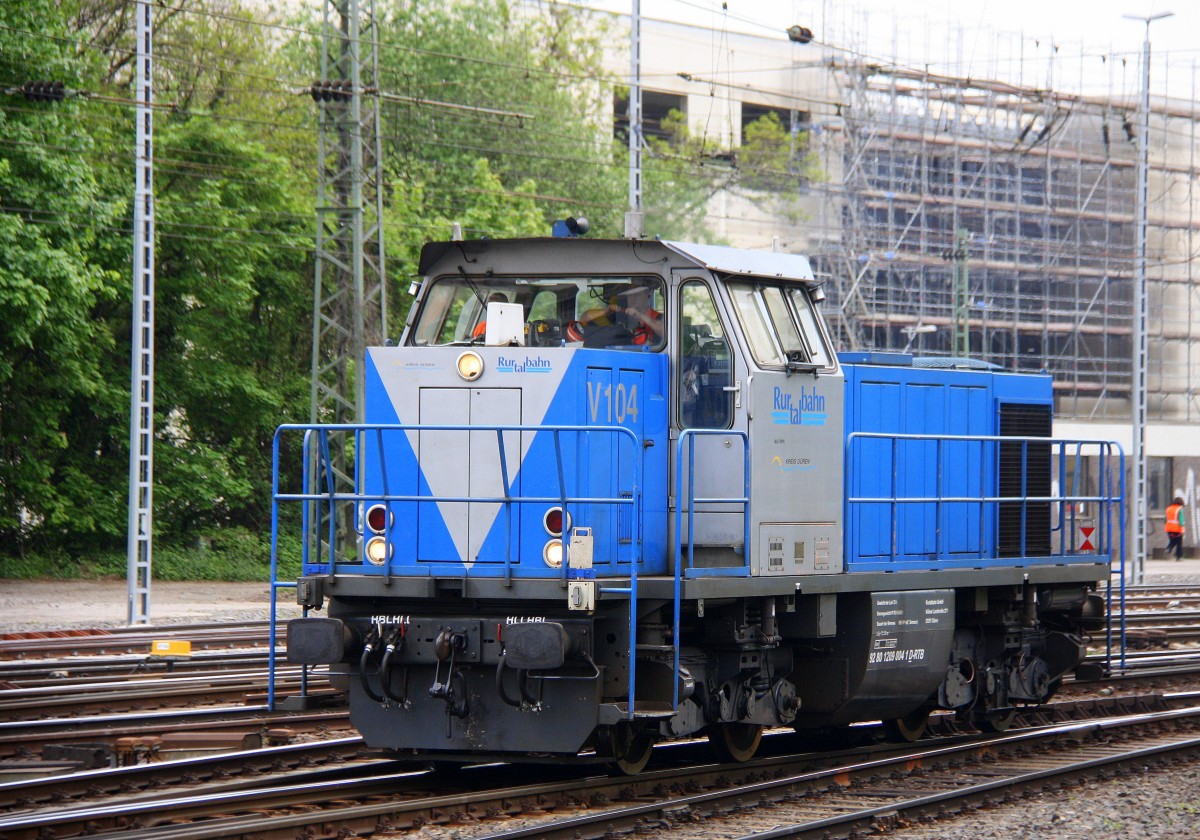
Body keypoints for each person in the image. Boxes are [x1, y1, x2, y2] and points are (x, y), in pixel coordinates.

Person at [1165, 496, 1186, 561]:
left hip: (1169, 528)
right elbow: (1181, 520)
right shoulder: (1179, 509)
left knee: (1173, 540)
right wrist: (1183, 528)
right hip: (1177, 528)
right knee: (1179, 543)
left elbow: (1166, 519)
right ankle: (1178, 556)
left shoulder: (1168, 508)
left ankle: (1169, 548)